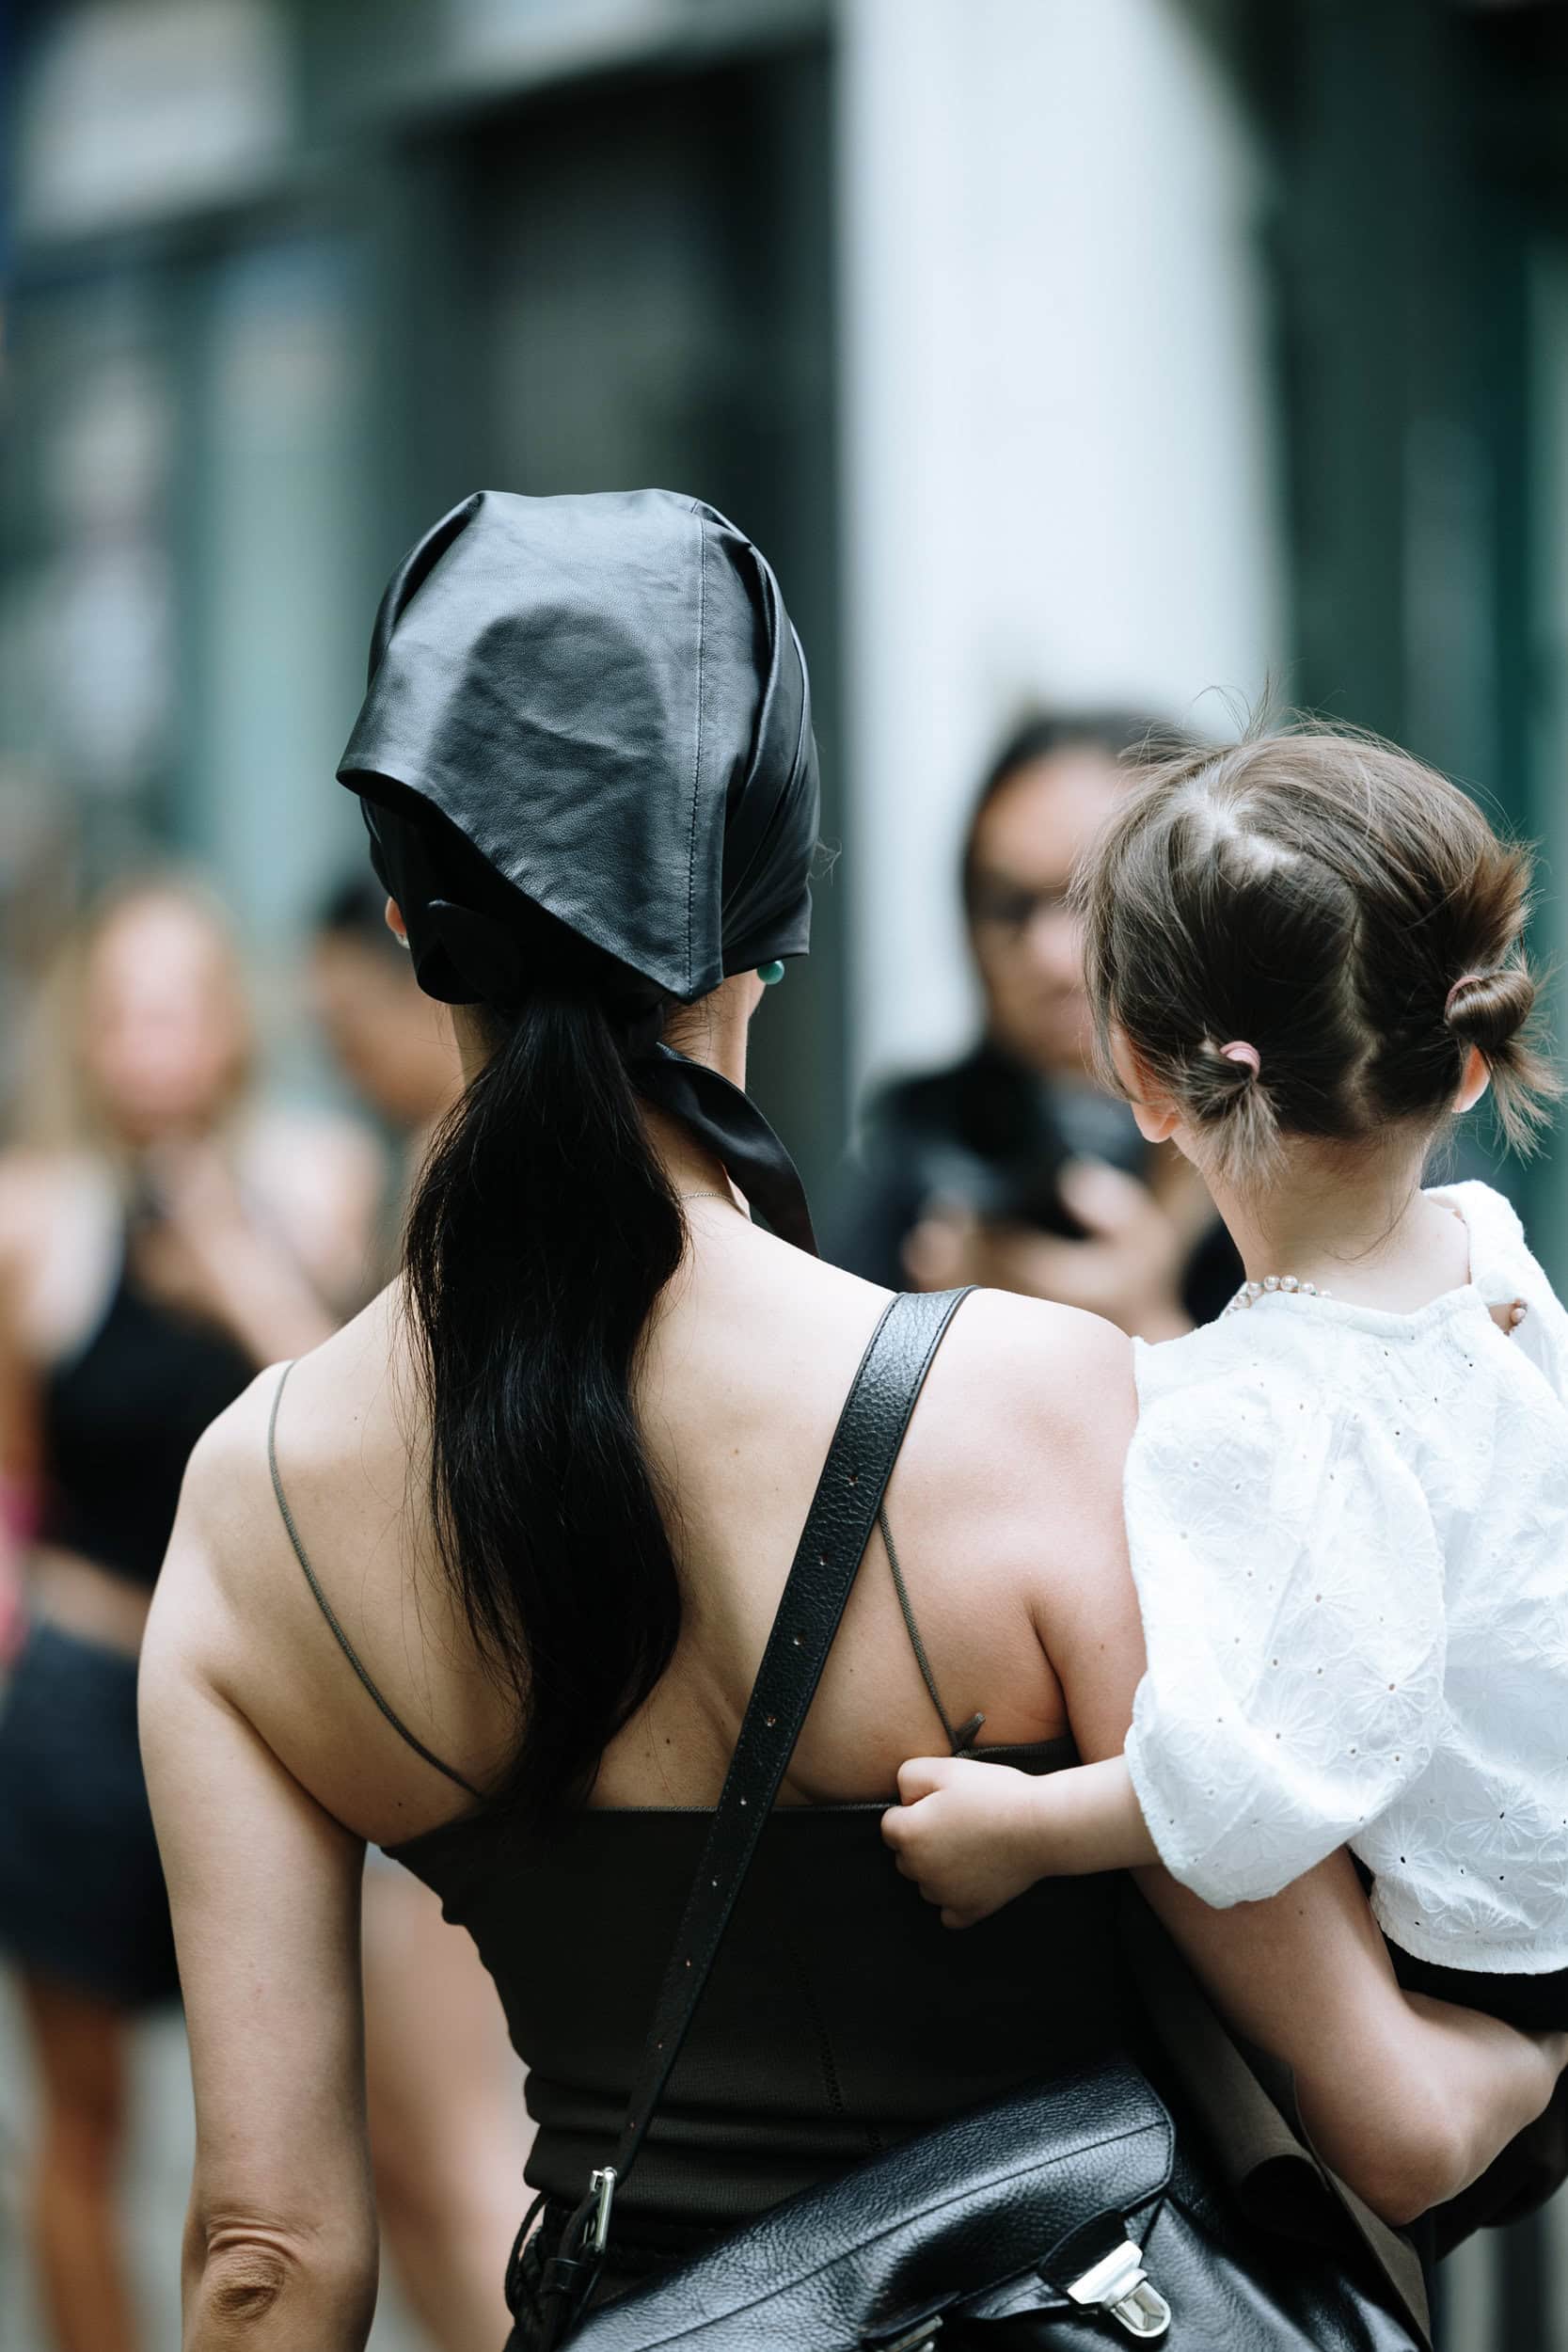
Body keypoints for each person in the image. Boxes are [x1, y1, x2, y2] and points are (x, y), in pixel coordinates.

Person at [139, 492, 1562, 2352]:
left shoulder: (252, 1503)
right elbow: (1384, 2108)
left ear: (409, 922)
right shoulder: (1034, 1410)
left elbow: (267, 2255)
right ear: (771, 915)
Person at [886, 727, 1568, 2035]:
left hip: (1477, 1947)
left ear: (1144, 1082)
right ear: (1463, 1059)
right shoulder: (1488, 1250)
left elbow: (1256, 1777)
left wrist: (1020, 1829)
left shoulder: (1242, 1408)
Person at [0, 877, 379, 2352]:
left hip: (264, 1711)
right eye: (119, 1010)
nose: (147, 1040)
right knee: (81, 2125)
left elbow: (354, 1428)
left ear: (229, 1024)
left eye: (174, 1006)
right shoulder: (33, 1215)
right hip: (83, 1697)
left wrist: (229, 1260)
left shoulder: (316, 1179)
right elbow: (14, 1479)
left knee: (258, 2150)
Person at [309, 874, 532, 2352]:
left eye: (348, 1022)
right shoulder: (433, 1152)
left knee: (452, 2160)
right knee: (414, 2154)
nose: (338, 1053)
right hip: (432, 1699)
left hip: (455, 1709)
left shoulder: (469, 1157)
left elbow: (402, 1440)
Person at [827, 710, 1241, 1333]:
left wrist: (1142, 1328)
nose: (1049, 955)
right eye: (1008, 906)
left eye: (1099, 898)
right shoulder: (937, 1150)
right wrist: (919, 1338)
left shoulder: (1331, 1152)